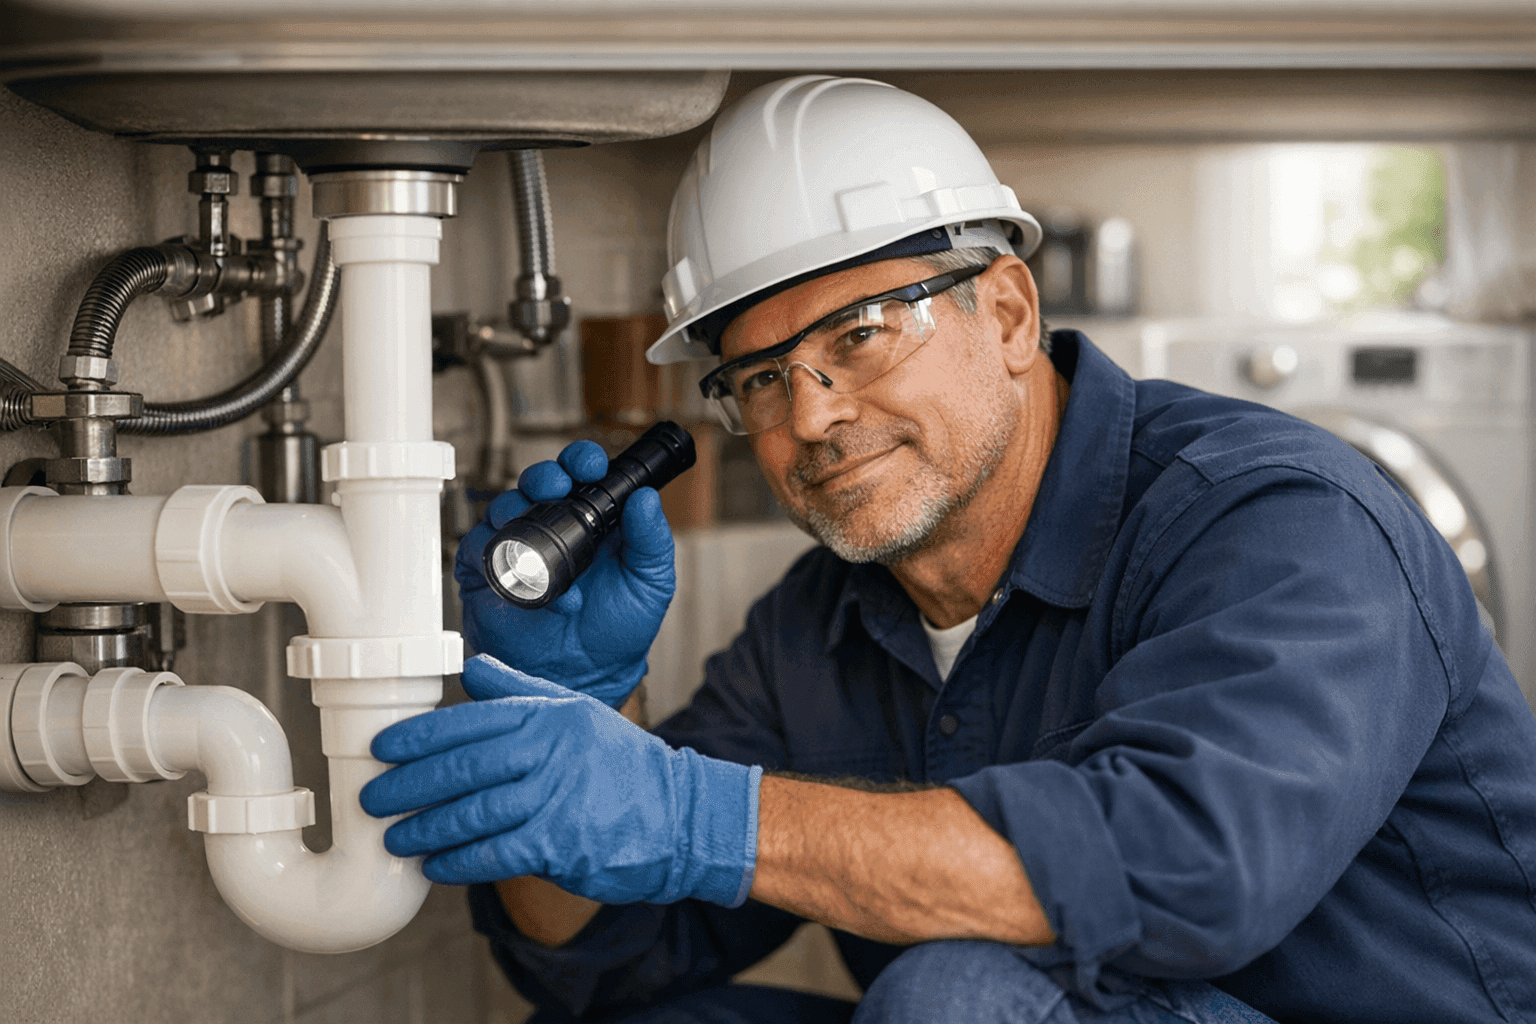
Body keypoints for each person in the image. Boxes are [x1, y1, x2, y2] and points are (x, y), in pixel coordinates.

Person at [359, 76, 1536, 1023]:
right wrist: (569, 705)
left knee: (960, 997)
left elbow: (1184, 870)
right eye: (760, 378)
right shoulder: (819, 624)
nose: (810, 415)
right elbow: (605, 957)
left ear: (1009, 314)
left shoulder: (1279, 521)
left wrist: (693, 814)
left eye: (861, 335)